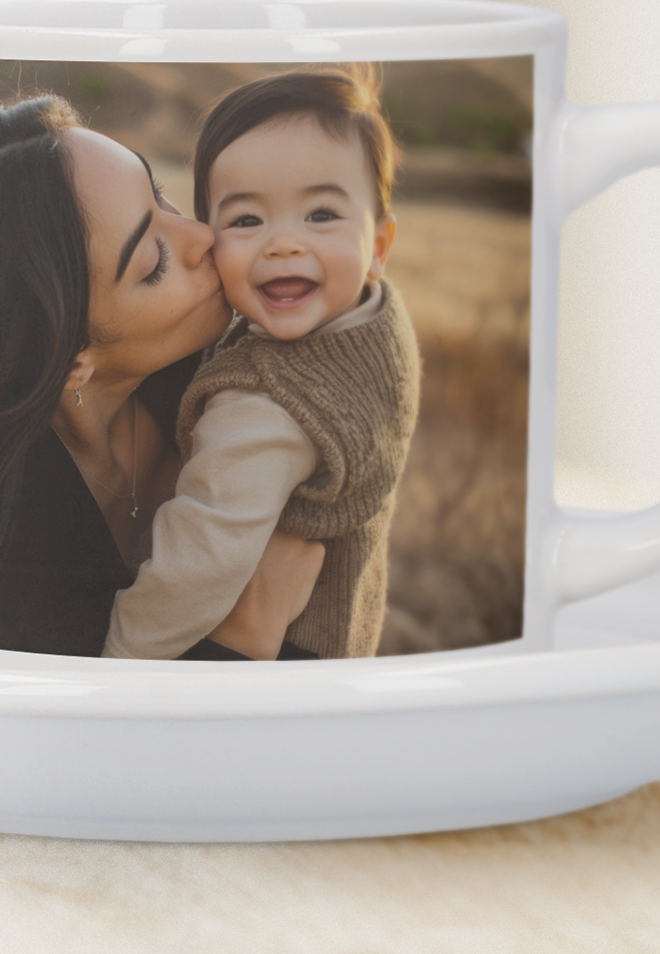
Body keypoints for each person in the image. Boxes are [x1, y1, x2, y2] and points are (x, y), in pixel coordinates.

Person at [0, 95, 324, 655]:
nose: (204, 237)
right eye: (153, 263)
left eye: (159, 193)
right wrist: (247, 635)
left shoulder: (235, 370)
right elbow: (91, 737)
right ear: (73, 358)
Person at [102, 68, 422, 661]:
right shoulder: (375, 320)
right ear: (210, 239)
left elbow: (196, 566)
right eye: (247, 220)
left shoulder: (265, 407)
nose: (283, 244)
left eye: (321, 215)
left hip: (266, 671)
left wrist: (116, 660)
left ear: (378, 246)